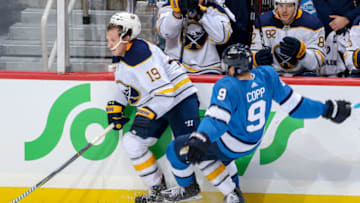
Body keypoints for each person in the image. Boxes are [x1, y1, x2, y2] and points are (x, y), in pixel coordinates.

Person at [161, 43, 352, 203]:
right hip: (252, 141)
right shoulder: (267, 75)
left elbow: (217, 120)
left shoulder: (226, 85)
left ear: (232, 67)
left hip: (230, 142)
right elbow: (296, 105)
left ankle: (189, 189)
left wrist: (201, 138)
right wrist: (328, 109)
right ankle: (233, 194)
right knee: (209, 153)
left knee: (176, 149)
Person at [105, 12, 201, 202]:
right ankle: (157, 190)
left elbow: (167, 94)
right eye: (108, 39)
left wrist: (148, 113)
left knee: (186, 148)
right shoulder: (121, 54)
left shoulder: (141, 54)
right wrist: (117, 104)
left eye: (112, 40)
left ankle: (190, 189)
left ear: (126, 36)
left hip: (180, 100)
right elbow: (127, 86)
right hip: (157, 103)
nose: (109, 45)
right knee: (132, 142)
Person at [251, 0, 326, 76]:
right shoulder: (262, 22)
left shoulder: (313, 24)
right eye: (281, 5)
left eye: (289, 6)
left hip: (303, 76)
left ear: (296, 5)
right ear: (275, 4)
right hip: (273, 76)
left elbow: (317, 63)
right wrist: (257, 59)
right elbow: (253, 53)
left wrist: (301, 52)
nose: (284, 11)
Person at [156, 0, 232, 74]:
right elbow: (166, 34)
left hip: (208, 67)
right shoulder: (170, 6)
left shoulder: (215, 9)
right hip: (175, 65)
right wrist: (176, 14)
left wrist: (201, 16)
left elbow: (221, 38)